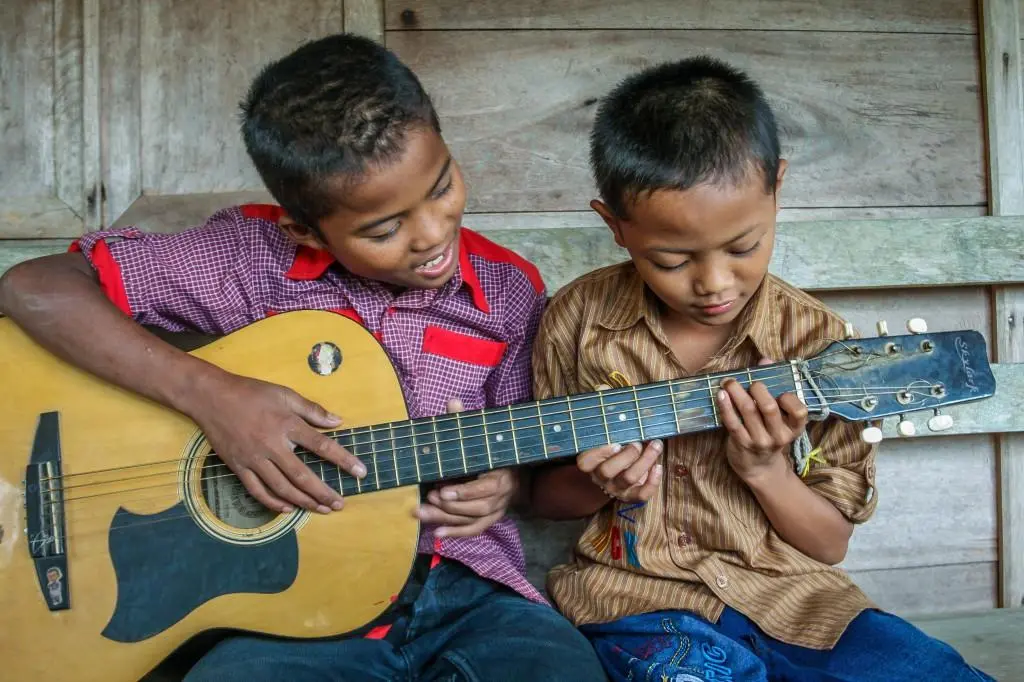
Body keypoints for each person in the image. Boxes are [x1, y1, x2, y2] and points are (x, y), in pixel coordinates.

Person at [0, 33, 604, 682]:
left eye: (441, 186)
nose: (432, 234)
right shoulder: (250, 260)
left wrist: (507, 487)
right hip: (284, 617)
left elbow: (531, 474)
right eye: (383, 229)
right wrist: (212, 395)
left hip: (467, 590)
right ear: (306, 230)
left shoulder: (509, 292)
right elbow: (35, 287)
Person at [528, 55, 993, 682]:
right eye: (672, 260)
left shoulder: (817, 341)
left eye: (743, 246)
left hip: (798, 601)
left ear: (777, 186)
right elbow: (545, 498)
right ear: (615, 226)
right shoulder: (579, 321)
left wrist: (765, 469)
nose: (714, 283)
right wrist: (604, 484)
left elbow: (829, 544)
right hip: (636, 602)